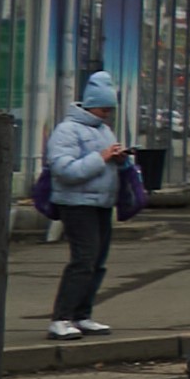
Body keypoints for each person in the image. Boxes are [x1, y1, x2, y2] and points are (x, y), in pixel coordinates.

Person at [43, 72, 133, 340]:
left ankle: (82, 315)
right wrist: (102, 157)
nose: (107, 113)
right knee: (83, 260)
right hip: (76, 204)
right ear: (90, 102)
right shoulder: (67, 130)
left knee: (97, 262)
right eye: (104, 107)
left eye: (110, 108)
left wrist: (120, 160)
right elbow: (64, 170)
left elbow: (104, 161)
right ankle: (60, 318)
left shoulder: (103, 130)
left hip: (101, 204)